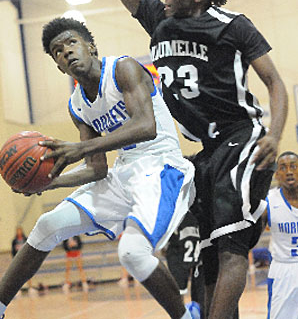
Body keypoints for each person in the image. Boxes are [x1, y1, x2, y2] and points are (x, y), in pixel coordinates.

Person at [68, 0, 288, 318]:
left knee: (229, 248)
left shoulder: (233, 25)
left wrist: (275, 133)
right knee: (208, 251)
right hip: (202, 151)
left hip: (240, 138)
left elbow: (275, 83)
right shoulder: (159, 21)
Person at [0, 17, 197, 319]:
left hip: (161, 167)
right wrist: (48, 182)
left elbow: (146, 126)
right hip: (123, 174)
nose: (65, 52)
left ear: (90, 47)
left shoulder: (123, 68)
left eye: (71, 43)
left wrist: (80, 148)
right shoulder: (77, 105)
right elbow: (97, 169)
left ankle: (186, 317)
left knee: (131, 253)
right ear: (58, 66)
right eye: (57, 51)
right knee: (47, 225)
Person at [262, 151, 298, 319]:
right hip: (282, 270)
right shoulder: (269, 201)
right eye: (283, 168)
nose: (289, 171)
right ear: (277, 174)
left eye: (294, 166)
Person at [165, 210, 205, 318]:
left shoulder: (175, 214)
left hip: (182, 253)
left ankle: (181, 315)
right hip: (189, 251)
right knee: (181, 292)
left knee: (180, 293)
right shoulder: (198, 212)